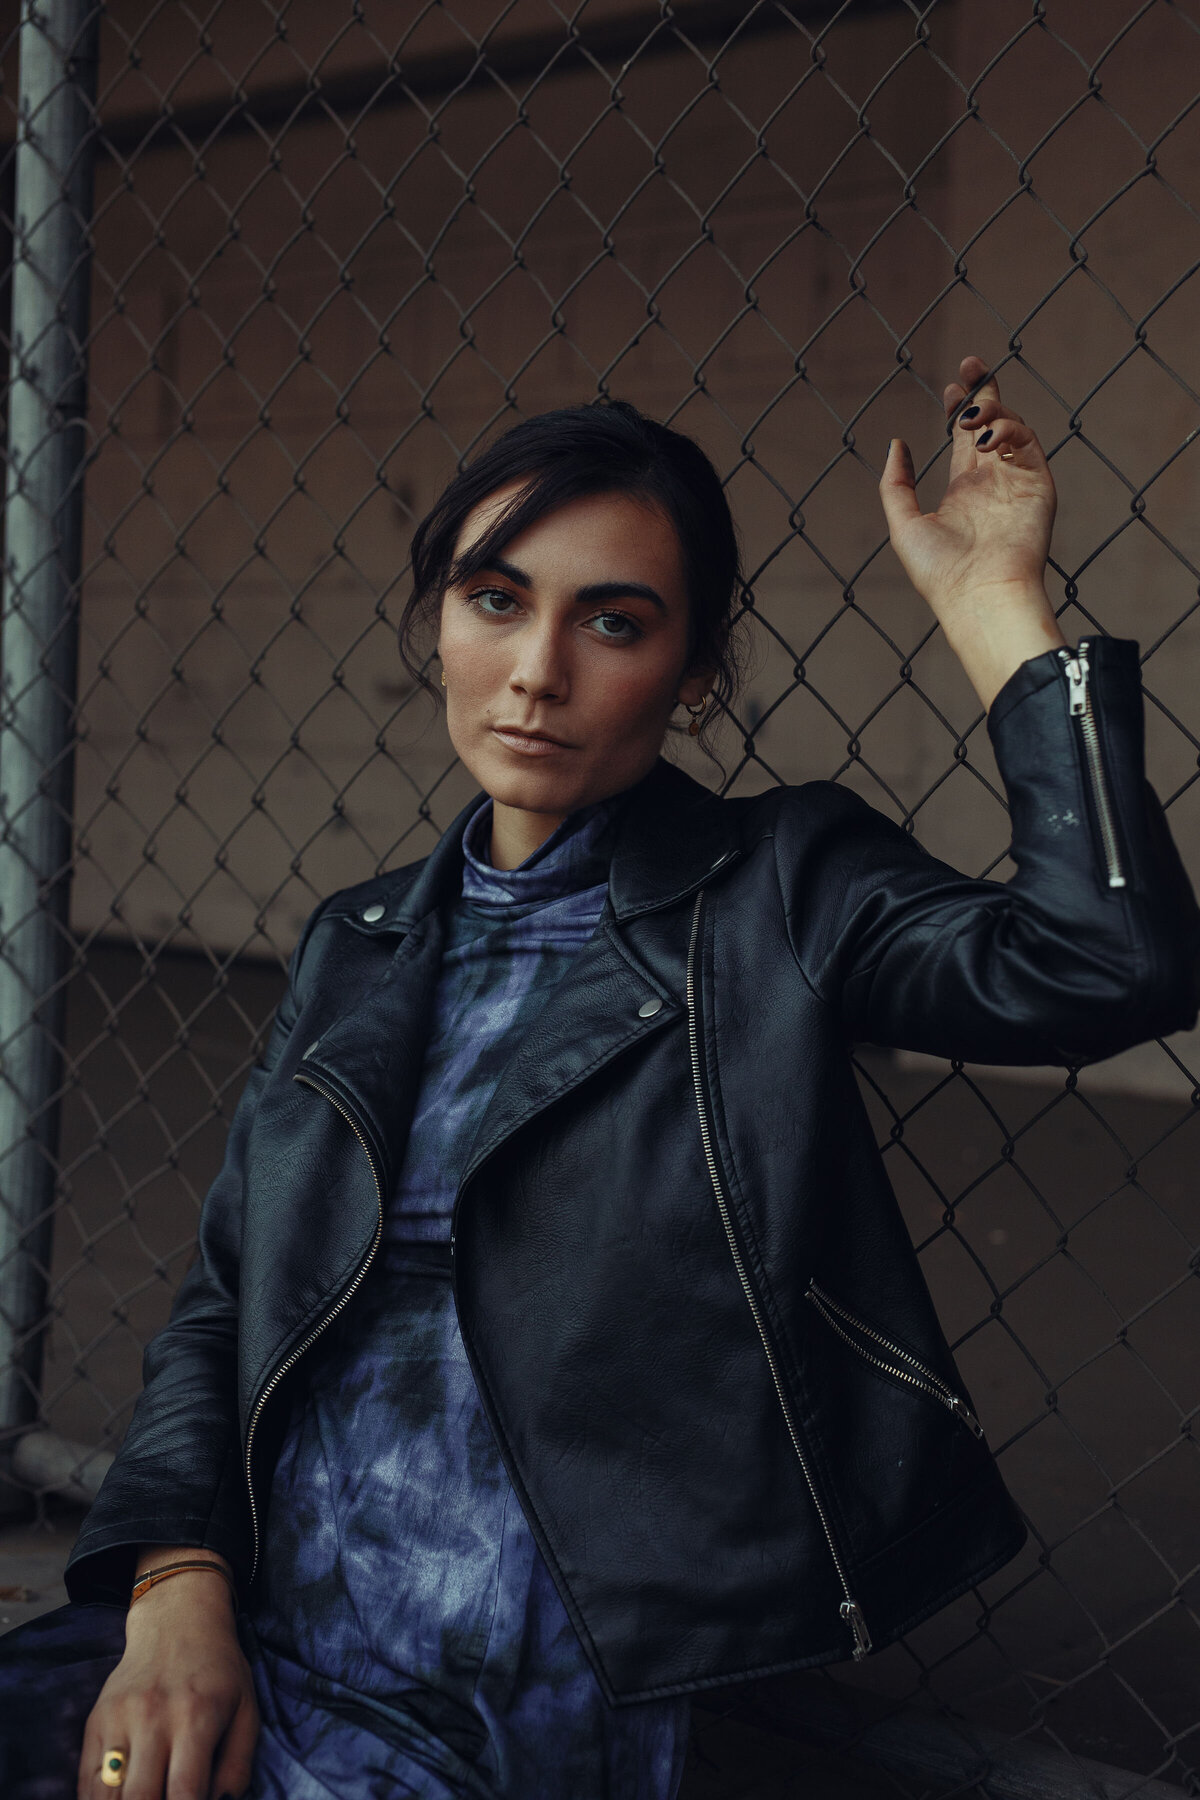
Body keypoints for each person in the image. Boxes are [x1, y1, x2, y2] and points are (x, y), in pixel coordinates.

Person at [1, 356, 1197, 1800]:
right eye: (496, 600)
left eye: (612, 623)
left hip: (523, 1686)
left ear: (694, 676)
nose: (536, 672)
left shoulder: (782, 887)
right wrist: (174, 1585)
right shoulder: (359, 943)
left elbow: (1106, 963)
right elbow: (226, 1295)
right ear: (439, 617)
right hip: (254, 1616)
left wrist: (997, 604)